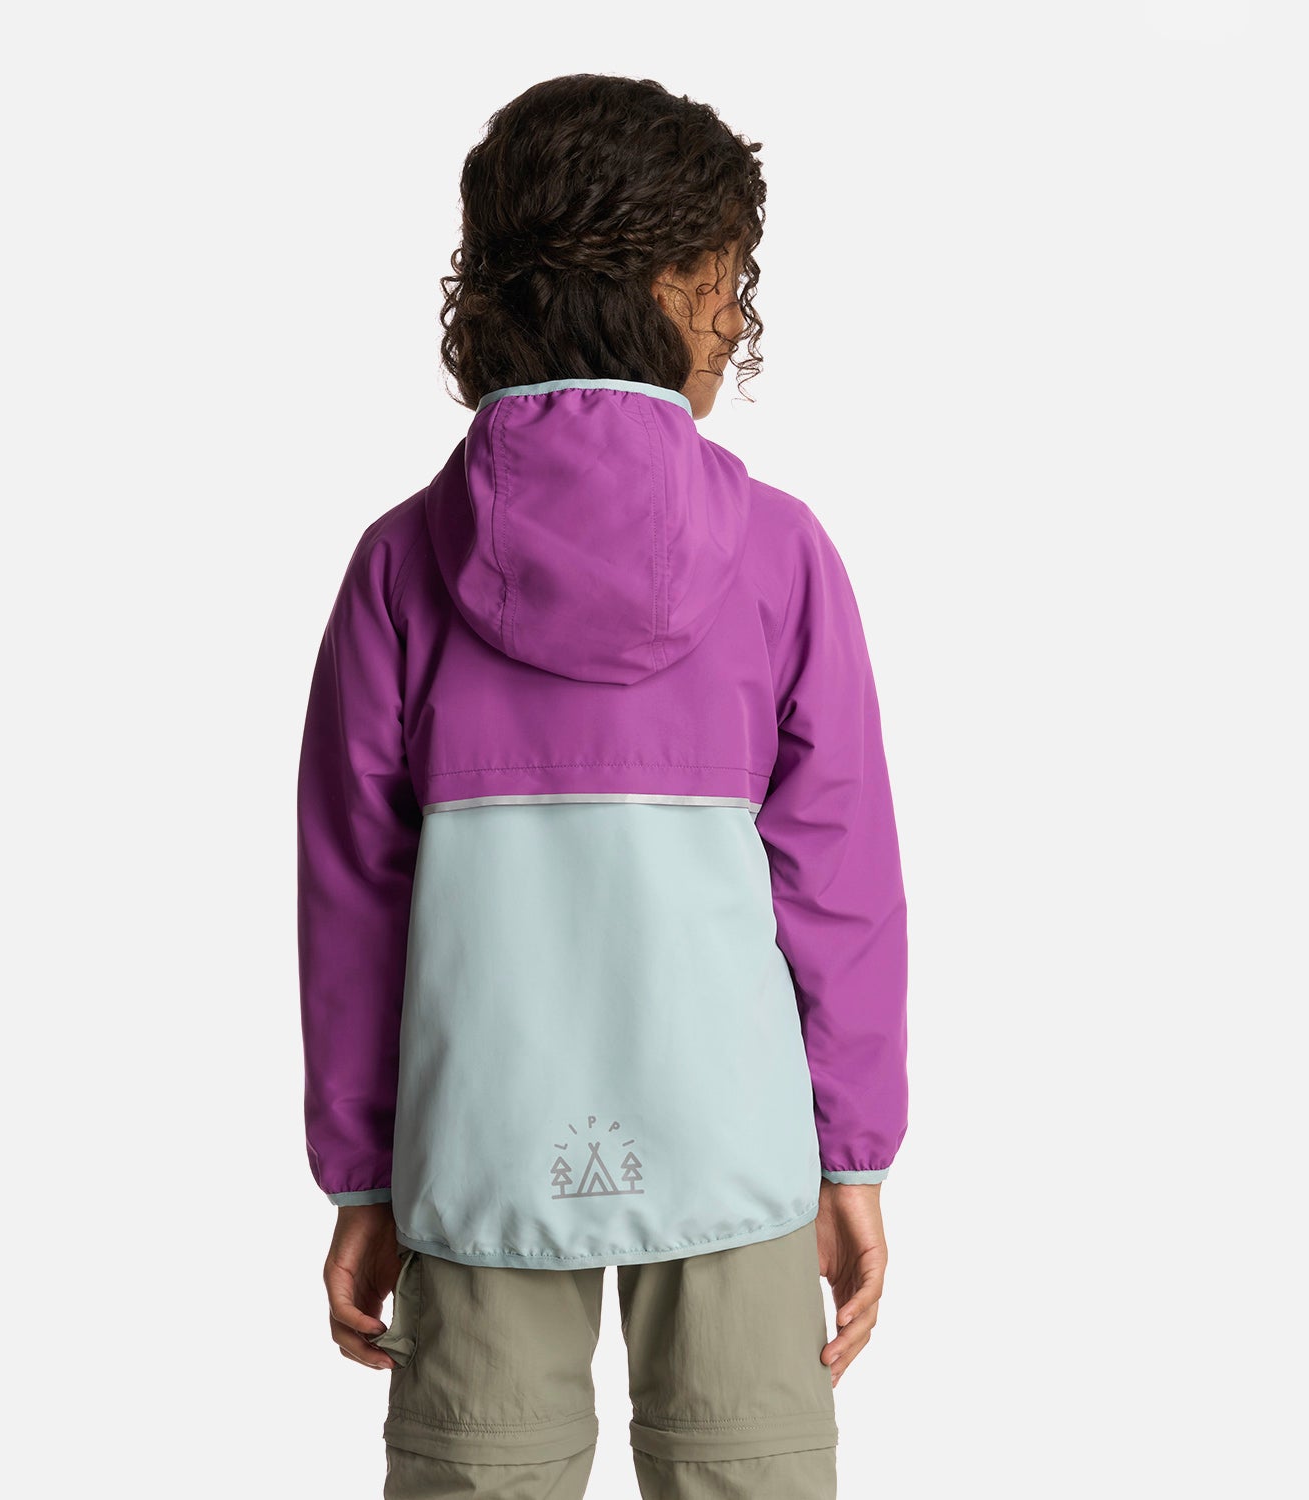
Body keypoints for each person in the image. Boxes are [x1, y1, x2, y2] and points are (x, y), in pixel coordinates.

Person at [295, 73, 908, 1500]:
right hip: (738, 1138)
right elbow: (841, 882)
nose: (737, 320)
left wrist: (365, 1174)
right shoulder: (783, 554)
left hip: (480, 1139)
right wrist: (852, 1158)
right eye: (730, 280)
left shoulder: (398, 566)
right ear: (671, 280)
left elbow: (353, 905)